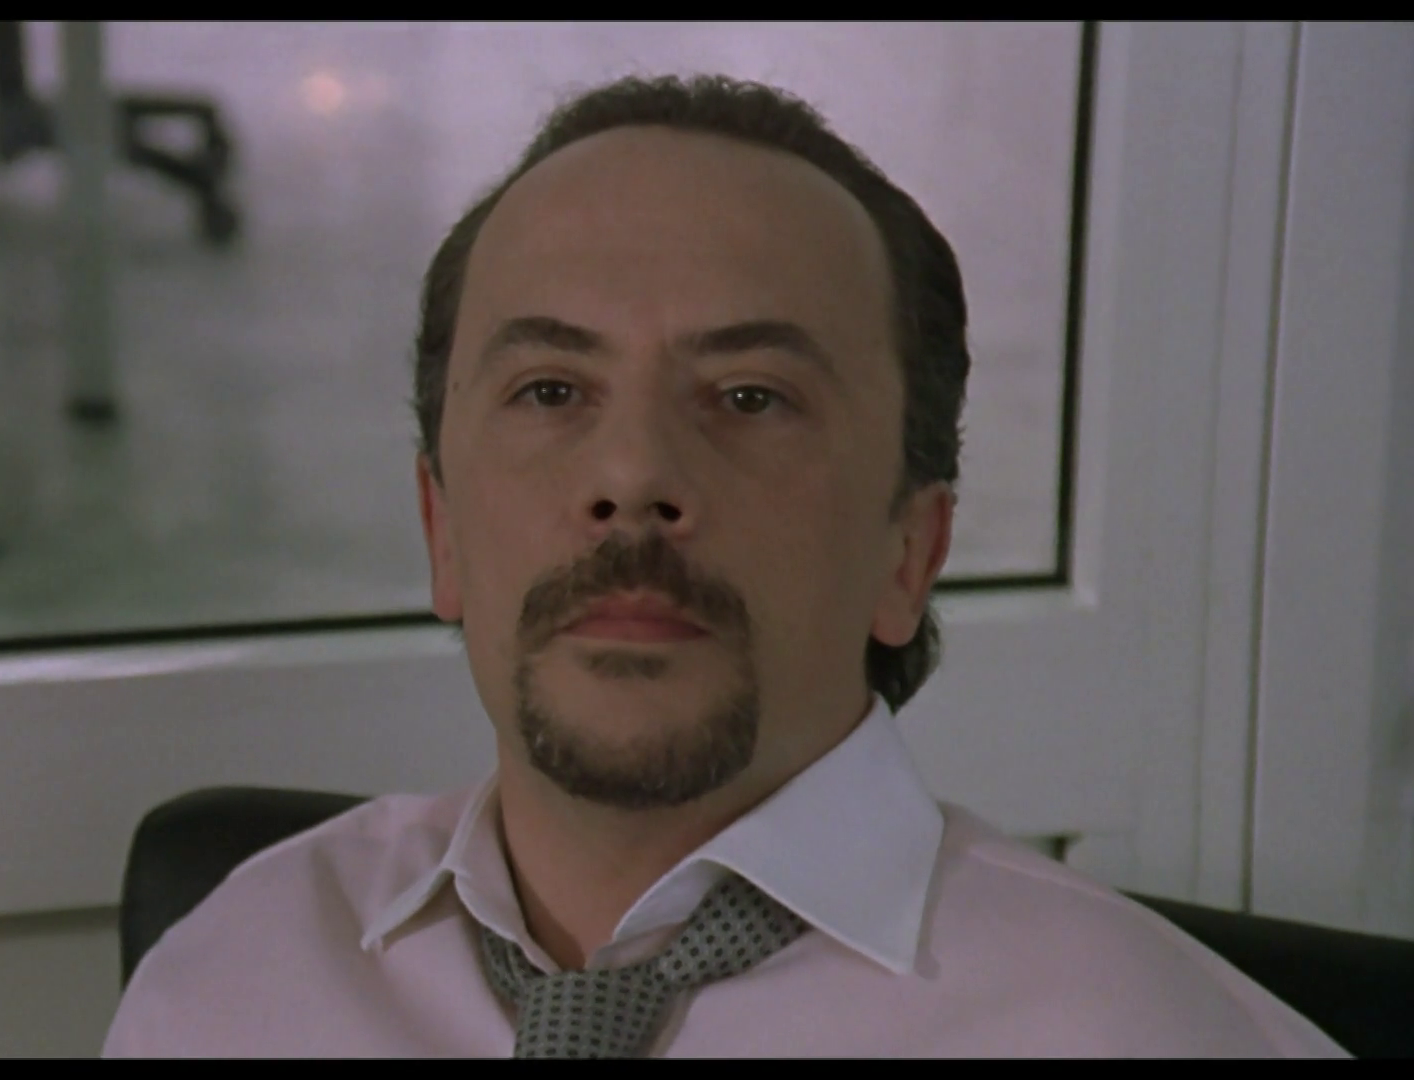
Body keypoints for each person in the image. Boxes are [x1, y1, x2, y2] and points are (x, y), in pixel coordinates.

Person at [102, 74, 1346, 1058]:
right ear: (442, 531)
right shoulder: (234, 978)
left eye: (751, 396)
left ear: (910, 552)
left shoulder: (1145, 1035)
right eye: (551, 390)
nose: (633, 474)